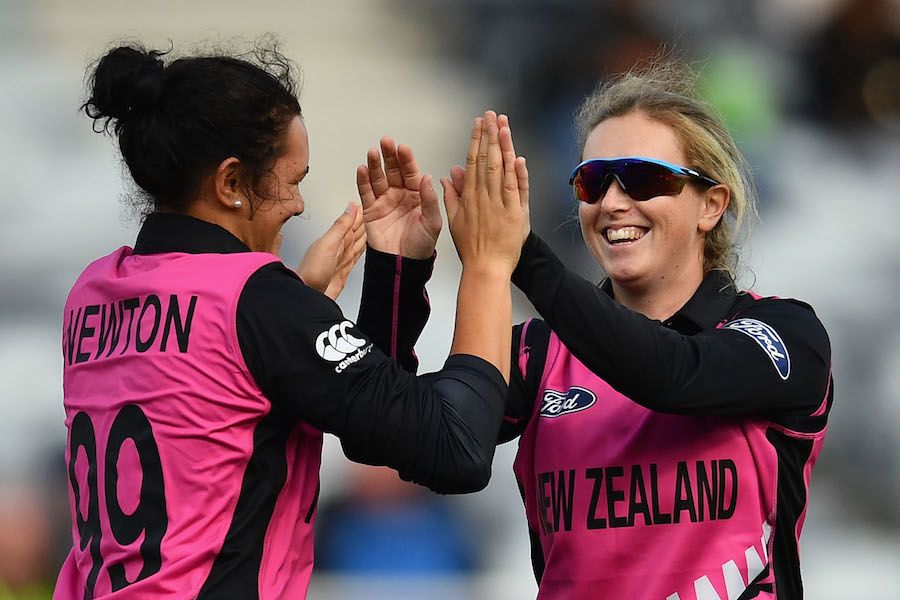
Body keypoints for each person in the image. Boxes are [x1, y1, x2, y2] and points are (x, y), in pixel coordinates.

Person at [56, 41, 527, 599]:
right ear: (231, 183)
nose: (299, 205)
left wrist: (385, 276)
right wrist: (489, 266)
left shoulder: (92, 291)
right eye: (292, 180)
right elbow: (458, 449)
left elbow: (338, 419)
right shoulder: (254, 302)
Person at [361, 60, 833, 599]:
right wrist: (395, 273)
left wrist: (521, 256)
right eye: (592, 181)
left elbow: (674, 374)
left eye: (644, 177)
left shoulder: (783, 332)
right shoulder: (538, 354)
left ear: (711, 205)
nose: (611, 202)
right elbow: (408, 441)